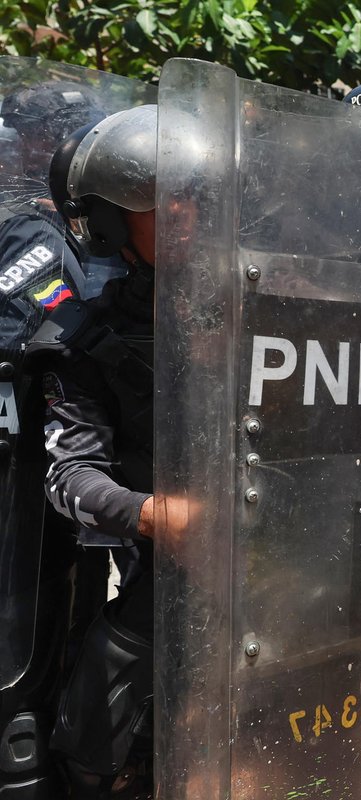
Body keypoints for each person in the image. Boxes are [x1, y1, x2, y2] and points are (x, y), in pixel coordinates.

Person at [38, 103, 161, 798]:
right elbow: (71, 473)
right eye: (162, 206)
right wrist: (153, 514)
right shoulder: (86, 337)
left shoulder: (279, 308)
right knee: (97, 734)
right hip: (173, 576)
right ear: (113, 226)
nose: (192, 219)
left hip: (302, 568)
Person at [0, 79, 110, 799]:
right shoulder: (29, 230)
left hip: (46, 459)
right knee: (25, 631)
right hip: (27, 465)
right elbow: (62, 328)